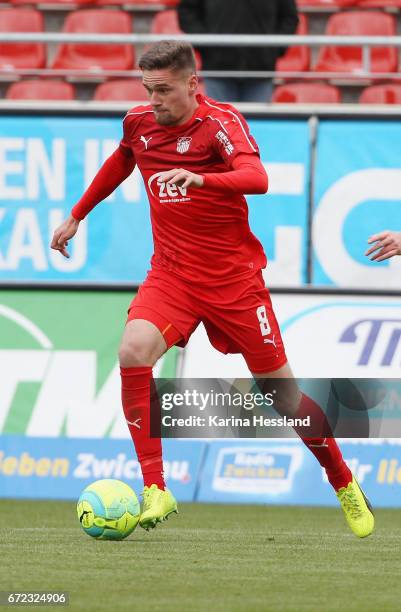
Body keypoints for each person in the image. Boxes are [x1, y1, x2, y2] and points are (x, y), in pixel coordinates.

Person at [51, 41, 374, 537]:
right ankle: (155, 487)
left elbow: (257, 177)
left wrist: (201, 180)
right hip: (173, 275)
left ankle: (343, 480)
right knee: (133, 350)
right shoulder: (138, 123)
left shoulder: (221, 123)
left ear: (192, 85)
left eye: (163, 90)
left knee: (283, 397)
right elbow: (123, 159)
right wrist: (77, 215)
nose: (154, 100)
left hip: (234, 282)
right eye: (148, 89)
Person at [177, 0, 298, 103]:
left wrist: (273, 50)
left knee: (255, 127)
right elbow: (187, 12)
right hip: (217, 69)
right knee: (220, 125)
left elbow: (289, 17)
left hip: (260, 70)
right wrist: (206, 45)